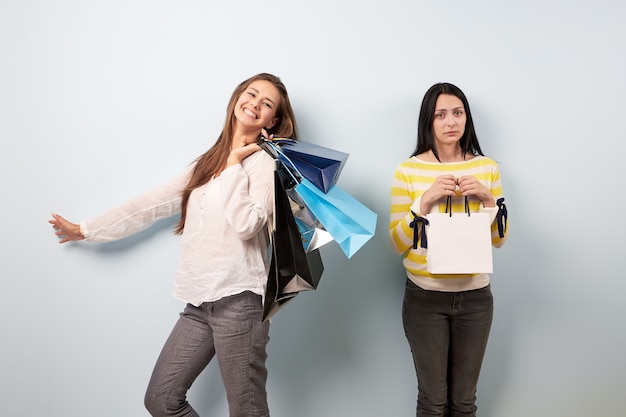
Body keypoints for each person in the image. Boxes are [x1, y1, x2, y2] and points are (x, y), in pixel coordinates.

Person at [49, 73, 299, 417]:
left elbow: (246, 225)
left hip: (241, 301)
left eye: (266, 103)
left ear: (273, 121)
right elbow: (151, 204)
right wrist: (87, 229)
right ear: (237, 97)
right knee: (162, 399)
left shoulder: (264, 164)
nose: (255, 103)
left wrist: (232, 167)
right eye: (251, 93)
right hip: (199, 302)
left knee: (247, 409)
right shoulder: (207, 162)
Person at [388, 82, 508, 417]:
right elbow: (396, 243)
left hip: (476, 298)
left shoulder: (487, 168)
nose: (450, 121)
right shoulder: (408, 170)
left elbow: (500, 239)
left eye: (457, 112)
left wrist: (488, 199)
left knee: (465, 402)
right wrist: (423, 203)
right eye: (440, 114)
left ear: (467, 118)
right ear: (428, 120)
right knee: (433, 401)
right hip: (425, 298)